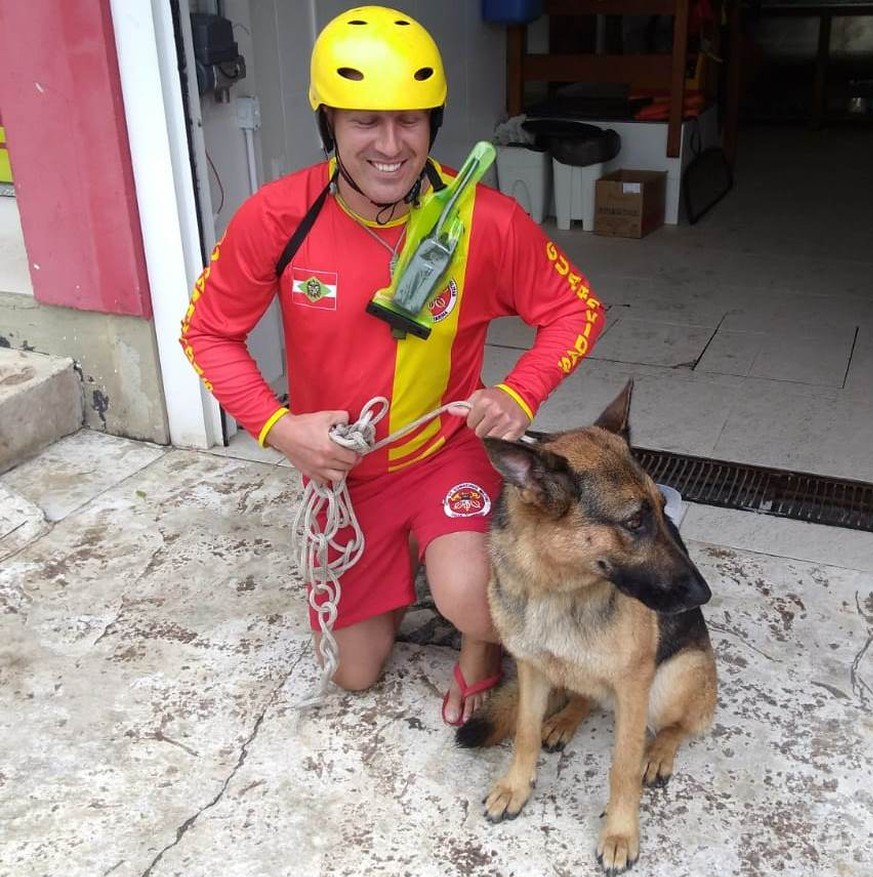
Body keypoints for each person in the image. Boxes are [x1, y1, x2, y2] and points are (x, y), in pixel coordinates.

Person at [179, 5, 604, 726]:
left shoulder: (484, 220)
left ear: (433, 124)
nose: (389, 144)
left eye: (409, 120)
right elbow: (207, 333)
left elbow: (577, 310)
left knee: (474, 602)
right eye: (364, 121)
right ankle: (407, 564)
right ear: (330, 126)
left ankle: (473, 638)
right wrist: (280, 429)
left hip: (445, 455)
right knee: (355, 671)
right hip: (349, 479)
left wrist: (518, 390)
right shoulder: (278, 216)